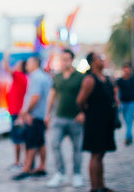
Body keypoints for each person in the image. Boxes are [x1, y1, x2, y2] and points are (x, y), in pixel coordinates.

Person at [76, 52, 117, 192]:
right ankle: (94, 187)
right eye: (99, 58)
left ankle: (101, 185)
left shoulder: (105, 78)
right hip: (95, 122)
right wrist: (86, 112)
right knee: (96, 154)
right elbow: (80, 100)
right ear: (92, 62)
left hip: (106, 121)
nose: (102, 60)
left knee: (101, 154)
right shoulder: (90, 79)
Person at [45, 49, 84, 188]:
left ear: (72, 59)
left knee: (77, 148)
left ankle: (77, 174)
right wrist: (48, 114)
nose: (64, 61)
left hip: (76, 118)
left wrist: (83, 112)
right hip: (59, 117)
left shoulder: (80, 77)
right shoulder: (58, 77)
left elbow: (86, 97)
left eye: (67, 59)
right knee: (54, 144)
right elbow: (52, 95)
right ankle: (60, 173)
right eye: (62, 59)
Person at [12, 56, 52, 181]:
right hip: (41, 115)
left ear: (35, 64)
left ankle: (27, 169)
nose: (26, 66)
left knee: (31, 142)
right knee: (40, 142)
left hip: (34, 116)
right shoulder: (45, 76)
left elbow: (35, 97)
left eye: (28, 63)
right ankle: (42, 167)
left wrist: (26, 112)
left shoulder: (35, 77)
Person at [4, 58, 28, 169]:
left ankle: (18, 162)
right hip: (16, 111)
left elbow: (6, 67)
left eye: (18, 64)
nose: (16, 66)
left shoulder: (19, 76)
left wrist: (6, 56)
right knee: (19, 139)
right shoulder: (21, 77)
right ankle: (22, 162)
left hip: (17, 113)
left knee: (17, 139)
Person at [115, 62, 134, 145]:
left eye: (128, 68)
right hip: (123, 102)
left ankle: (128, 137)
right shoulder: (120, 80)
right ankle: (130, 137)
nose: (127, 70)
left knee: (129, 119)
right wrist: (117, 100)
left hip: (132, 102)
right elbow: (116, 91)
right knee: (127, 119)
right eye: (125, 68)